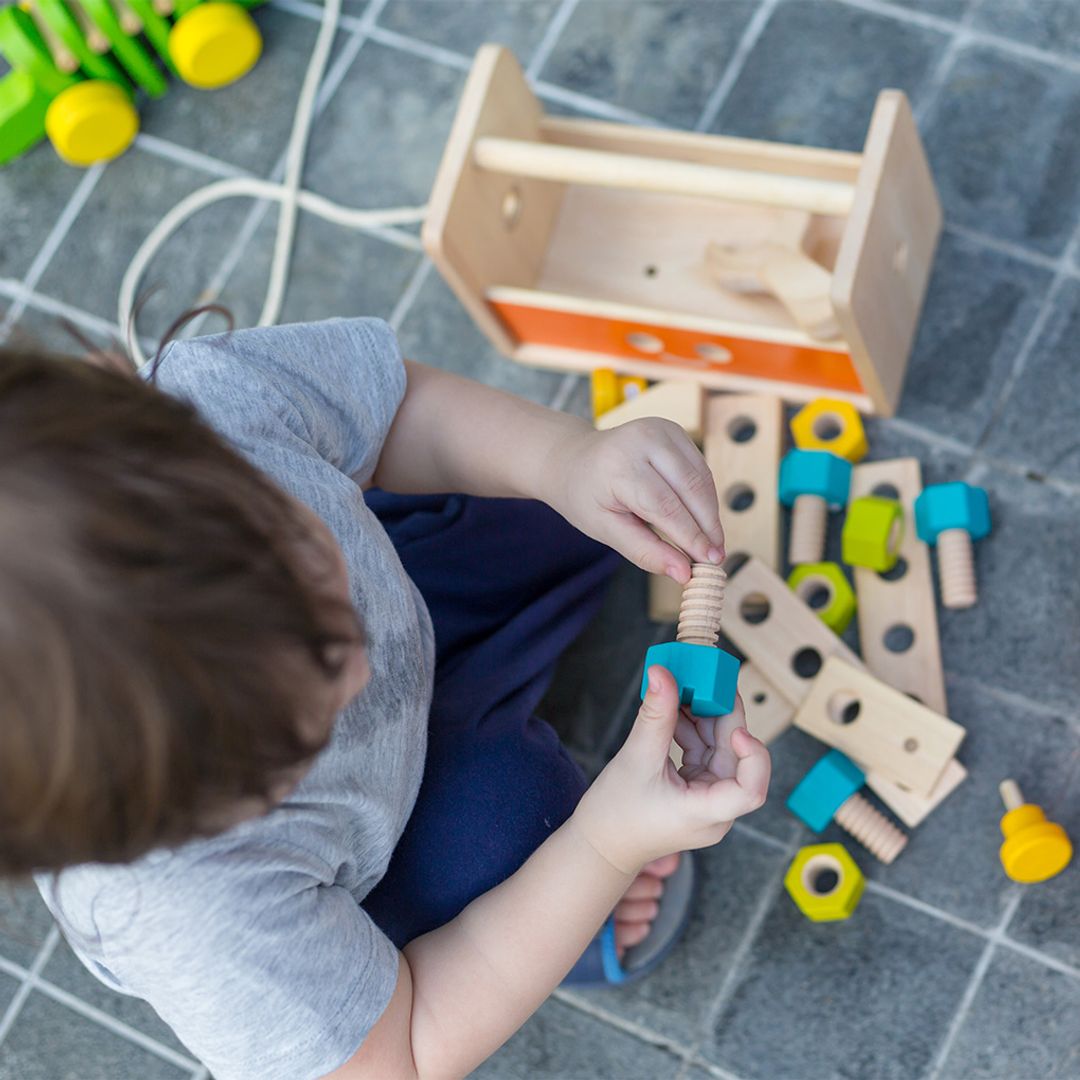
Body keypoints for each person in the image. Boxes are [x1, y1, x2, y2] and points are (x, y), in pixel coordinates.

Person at [0, 317, 770, 1079]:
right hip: (366, 861)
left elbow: (398, 410)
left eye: (309, 567)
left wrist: (567, 460)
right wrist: (605, 844)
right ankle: (570, 909)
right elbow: (404, 1051)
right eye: (287, 732)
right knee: (524, 821)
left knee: (576, 505)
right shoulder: (199, 917)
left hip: (421, 604)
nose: (355, 670)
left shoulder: (213, 403)